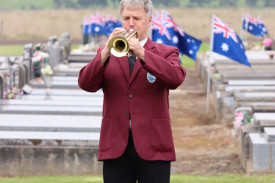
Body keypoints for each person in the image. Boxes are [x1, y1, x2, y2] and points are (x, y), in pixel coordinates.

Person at [78, 0, 186, 182]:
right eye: (126, 18)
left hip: (154, 144)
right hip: (115, 144)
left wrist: (142, 53)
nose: (130, 23)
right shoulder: (107, 53)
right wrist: (105, 51)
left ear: (149, 21)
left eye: (137, 18)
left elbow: (176, 78)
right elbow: (86, 83)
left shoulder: (166, 52)